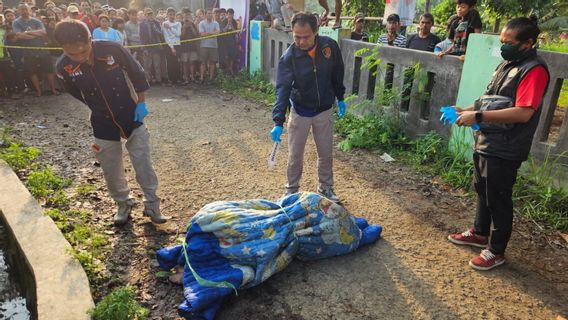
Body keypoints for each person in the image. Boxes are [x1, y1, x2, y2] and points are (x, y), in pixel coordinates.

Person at [448, 17, 549, 271]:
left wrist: (478, 117)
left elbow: (523, 112)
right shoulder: (507, 63)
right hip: (488, 139)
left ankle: (496, 250)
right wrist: (466, 109)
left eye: (509, 42)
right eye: (502, 41)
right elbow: (490, 99)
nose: (503, 46)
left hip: (507, 145)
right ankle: (480, 232)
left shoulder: (534, 70)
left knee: (499, 197)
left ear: (528, 43)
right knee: (482, 189)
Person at [54, 20, 168, 225]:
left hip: (131, 113)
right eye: (73, 54)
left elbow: (137, 73)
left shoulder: (112, 49)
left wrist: (141, 103)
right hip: (101, 120)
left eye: (83, 51)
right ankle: (123, 203)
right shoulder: (63, 66)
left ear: (90, 39)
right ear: (62, 48)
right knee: (110, 166)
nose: (79, 58)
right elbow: (72, 90)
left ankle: (152, 203)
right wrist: (93, 105)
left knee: (143, 161)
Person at [270, 12, 345, 202]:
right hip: (300, 111)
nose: (301, 42)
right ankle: (291, 191)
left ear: (316, 32)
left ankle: (326, 188)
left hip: (324, 110)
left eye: (306, 37)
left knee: (325, 153)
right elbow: (282, 89)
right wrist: (278, 120)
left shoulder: (329, 47)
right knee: (295, 155)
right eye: (296, 37)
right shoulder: (289, 57)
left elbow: (337, 72)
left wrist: (340, 96)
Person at [12, 3, 59, 97]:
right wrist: (35, 34)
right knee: (32, 72)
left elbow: (43, 32)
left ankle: (53, 89)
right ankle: (38, 91)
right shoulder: (16, 22)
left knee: (49, 70)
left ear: (29, 10)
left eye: (25, 9)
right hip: (28, 52)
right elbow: (19, 35)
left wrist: (28, 32)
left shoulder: (36, 21)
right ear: (18, 11)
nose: (24, 11)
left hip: (42, 50)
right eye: (22, 9)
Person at [140, 7, 164, 84]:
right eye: (147, 14)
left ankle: (158, 80)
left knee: (157, 64)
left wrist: (154, 26)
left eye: (150, 13)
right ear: (145, 15)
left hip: (156, 46)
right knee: (147, 65)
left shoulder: (156, 23)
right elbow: (142, 37)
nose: (149, 15)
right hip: (147, 47)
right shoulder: (142, 24)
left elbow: (160, 33)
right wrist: (144, 48)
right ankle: (148, 80)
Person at [198, 9, 219, 83]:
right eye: (208, 13)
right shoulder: (201, 23)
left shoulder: (216, 23)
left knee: (212, 62)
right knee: (203, 62)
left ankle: (211, 78)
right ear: (205, 15)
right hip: (203, 45)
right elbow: (202, 34)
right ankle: (201, 78)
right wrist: (212, 33)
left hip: (213, 46)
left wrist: (207, 33)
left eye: (211, 13)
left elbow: (217, 33)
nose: (210, 14)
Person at [162, 7, 181, 85]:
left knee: (177, 62)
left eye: (173, 14)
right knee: (170, 63)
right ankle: (171, 79)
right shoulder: (164, 24)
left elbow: (178, 34)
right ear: (167, 15)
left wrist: (170, 28)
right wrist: (172, 47)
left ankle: (177, 79)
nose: (172, 16)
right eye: (170, 14)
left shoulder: (178, 23)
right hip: (169, 46)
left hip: (177, 44)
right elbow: (166, 36)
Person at [180, 11, 199, 83]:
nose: (187, 18)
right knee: (185, 63)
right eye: (185, 16)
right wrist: (184, 27)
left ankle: (192, 77)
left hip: (192, 47)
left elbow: (196, 35)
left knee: (192, 63)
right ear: (183, 17)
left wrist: (191, 25)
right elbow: (181, 37)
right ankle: (186, 78)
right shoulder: (181, 24)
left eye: (188, 16)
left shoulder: (193, 24)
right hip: (184, 48)